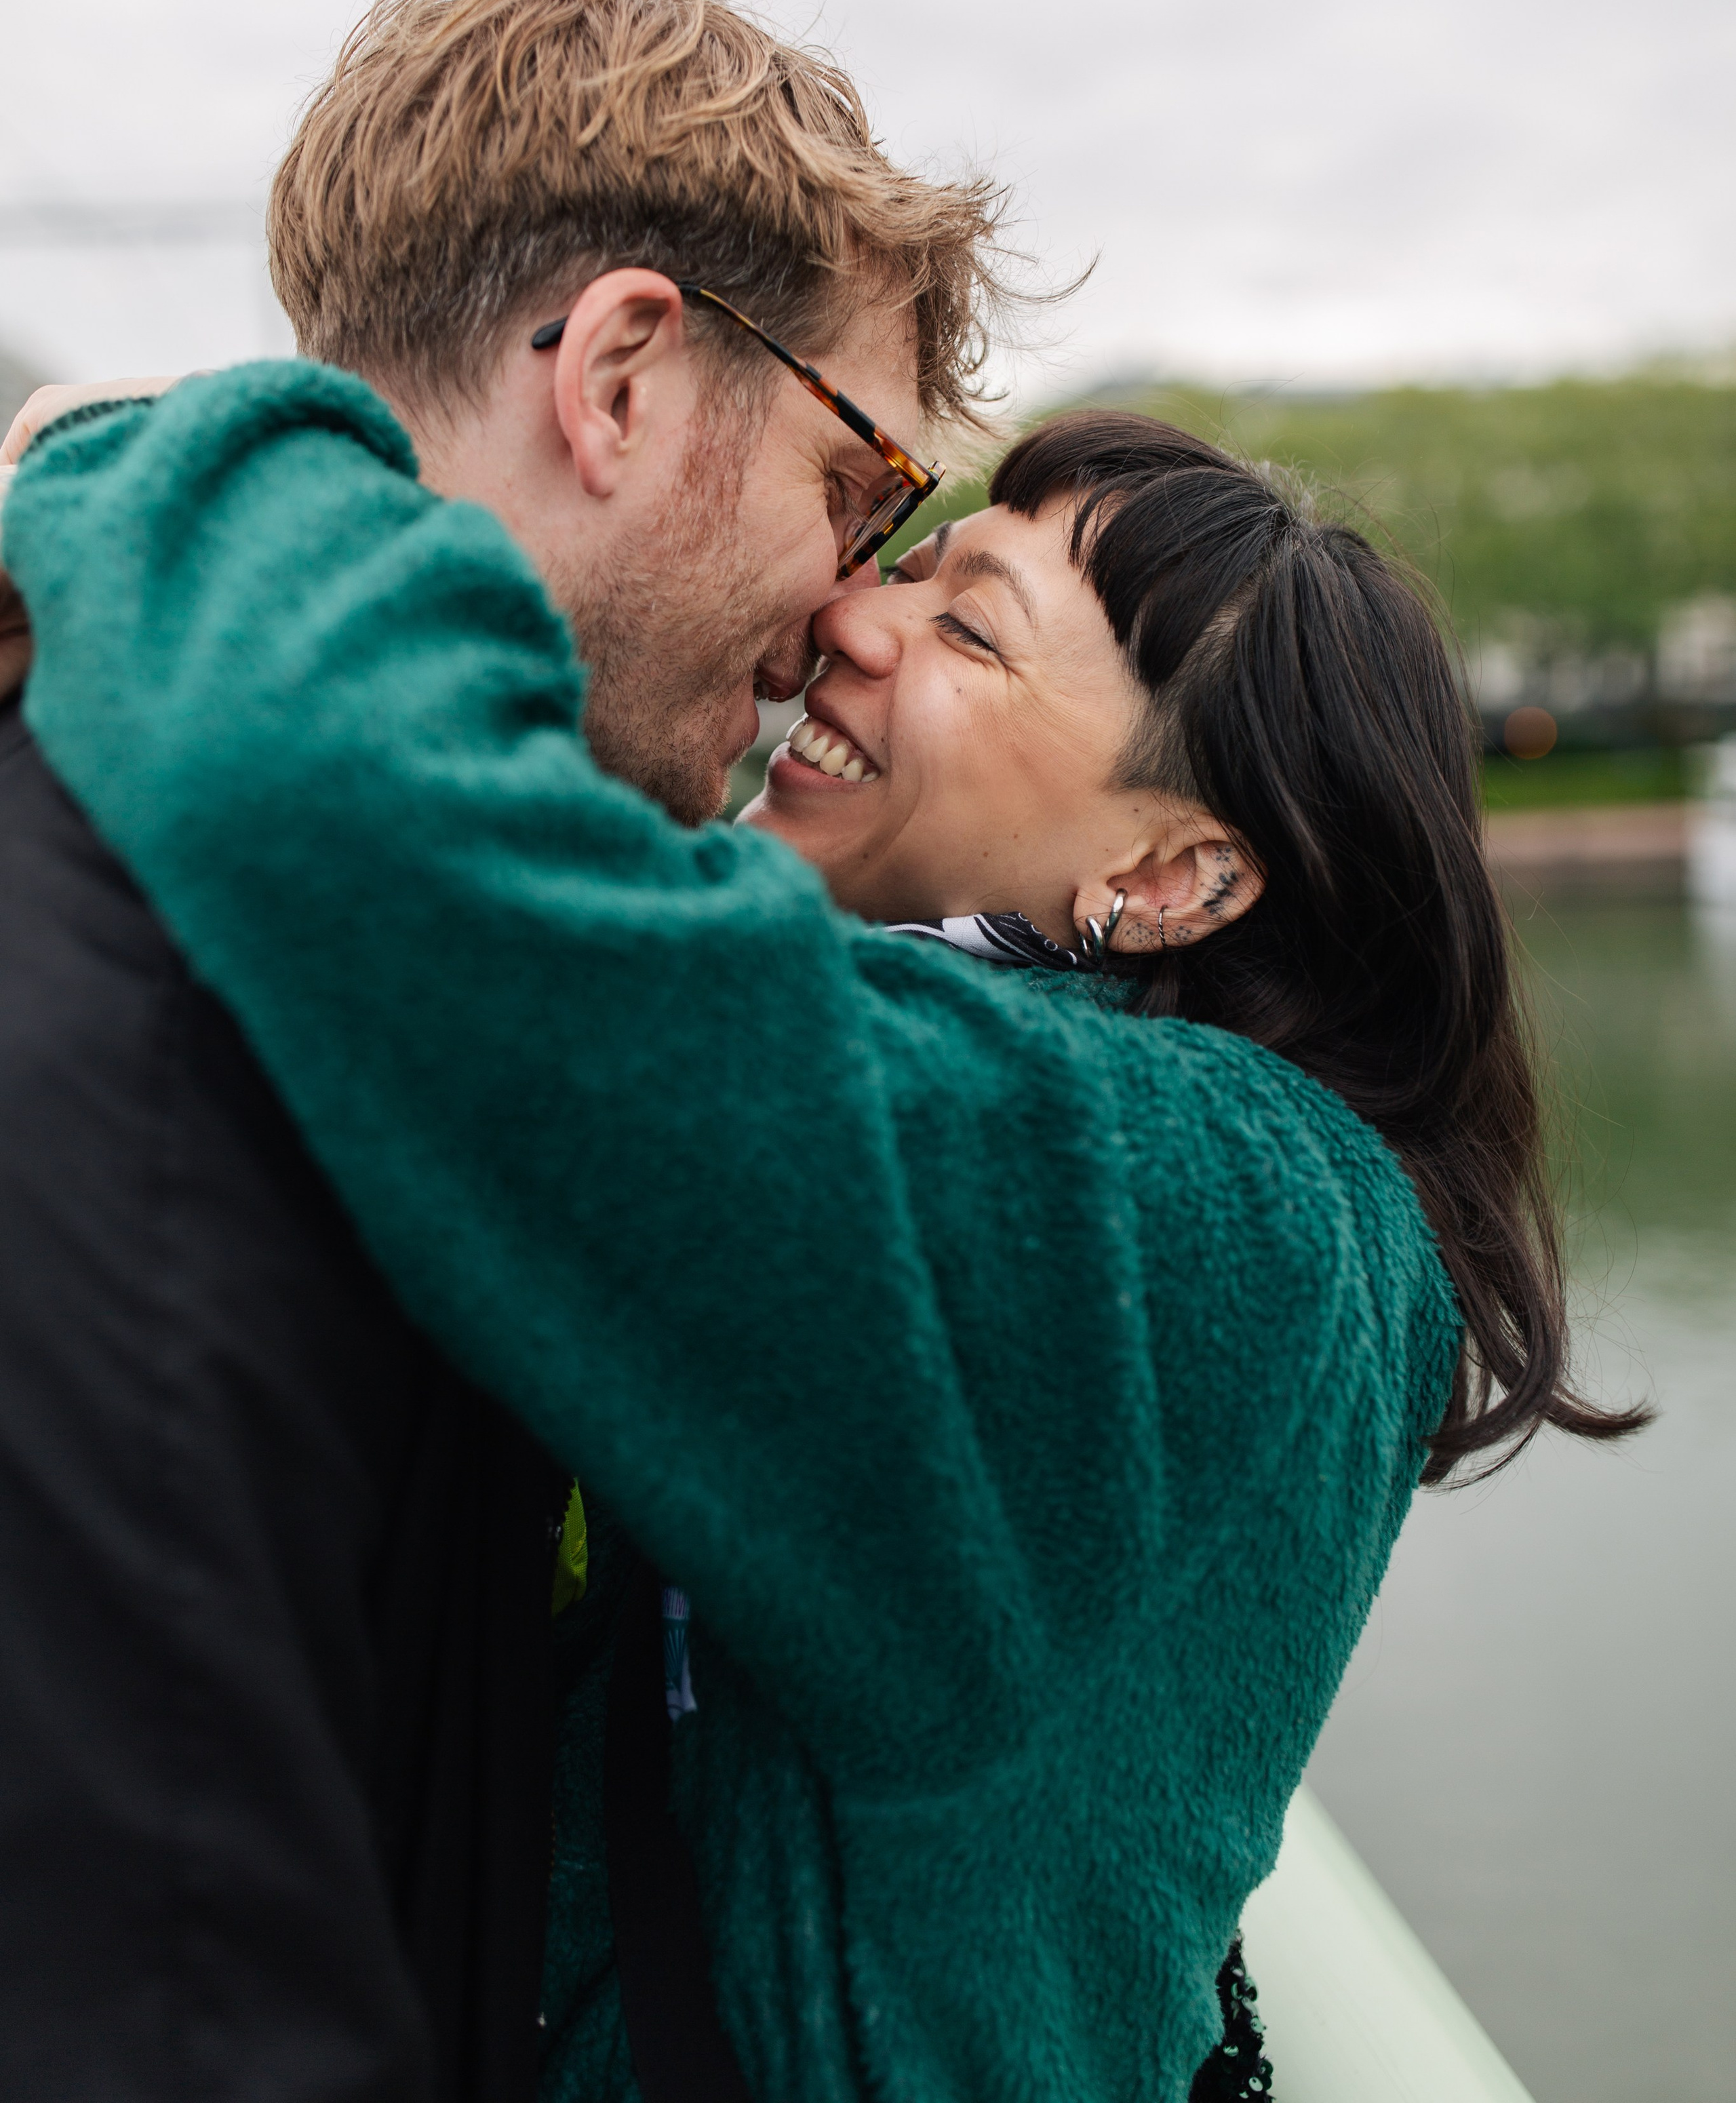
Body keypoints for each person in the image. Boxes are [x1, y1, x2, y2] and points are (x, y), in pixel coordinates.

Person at [3, 339, 1642, 2085]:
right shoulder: (1027, 1077)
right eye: (912, 563)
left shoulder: (1239, 1226)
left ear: (1170, 875)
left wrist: (125, 464)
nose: (858, 616)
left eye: (971, 630)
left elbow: (482, 929)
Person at [0, 0, 1010, 2102]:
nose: (861, 606)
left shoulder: (389, 973)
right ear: (625, 375)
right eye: (864, 481)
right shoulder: (151, 1052)